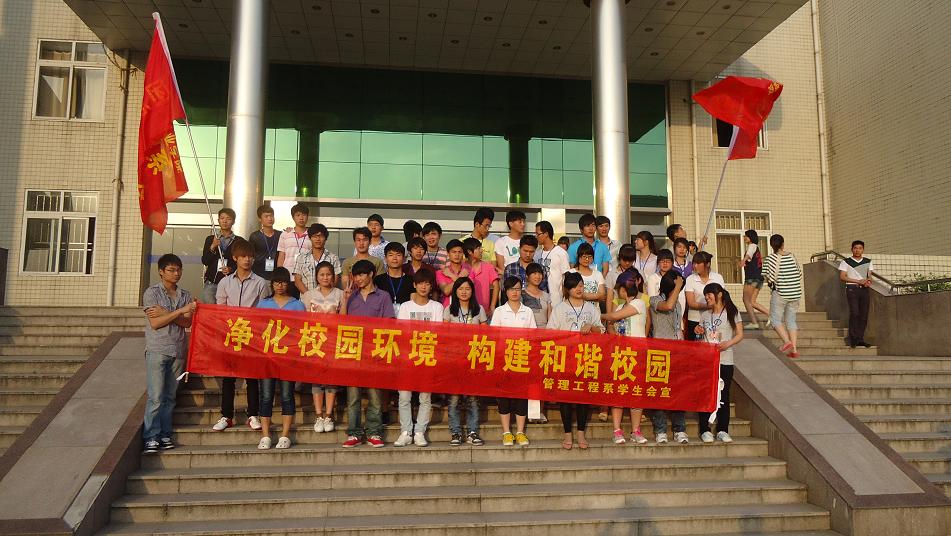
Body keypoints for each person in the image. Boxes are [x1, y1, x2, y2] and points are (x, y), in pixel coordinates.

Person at [212, 238, 269, 432]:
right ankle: (226, 416)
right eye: (243, 256)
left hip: (252, 334)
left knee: (252, 376)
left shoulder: (261, 282)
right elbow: (220, 308)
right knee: (229, 377)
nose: (247, 260)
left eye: (250, 256)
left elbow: (264, 310)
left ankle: (253, 414)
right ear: (235, 258)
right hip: (230, 333)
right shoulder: (225, 282)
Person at [142, 254, 196, 454]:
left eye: (179, 269)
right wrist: (179, 312)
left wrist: (167, 313)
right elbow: (155, 323)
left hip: (178, 350)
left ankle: (165, 434)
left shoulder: (185, 295)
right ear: (161, 272)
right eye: (171, 270)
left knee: (170, 396)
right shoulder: (152, 293)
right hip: (157, 349)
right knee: (156, 396)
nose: (176, 273)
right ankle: (151, 436)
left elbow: (187, 322)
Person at [547, 272, 604, 450]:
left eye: (580, 285)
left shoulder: (591, 308)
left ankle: (580, 433)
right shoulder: (559, 309)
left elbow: (601, 330)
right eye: (574, 286)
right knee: (565, 397)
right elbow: (550, 332)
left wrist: (592, 327)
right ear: (567, 289)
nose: (578, 289)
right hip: (566, 358)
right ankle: (567, 434)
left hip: (586, 358)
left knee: (583, 397)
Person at [342, 259, 395, 448]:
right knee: (353, 397)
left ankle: (374, 432)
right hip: (353, 351)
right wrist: (345, 300)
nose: (358, 279)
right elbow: (340, 322)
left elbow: (389, 323)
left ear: (371, 274)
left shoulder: (383, 296)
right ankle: (354, 433)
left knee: (375, 396)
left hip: (374, 352)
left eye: (361, 274)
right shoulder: (351, 296)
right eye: (355, 276)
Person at [255, 268, 306, 449]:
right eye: (277, 282)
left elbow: (302, 331)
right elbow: (256, 329)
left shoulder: (298, 305)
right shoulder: (263, 304)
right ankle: (265, 436)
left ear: (288, 284)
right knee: (266, 396)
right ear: (272, 284)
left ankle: (285, 435)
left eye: (283, 282)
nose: (280, 286)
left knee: (286, 395)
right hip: (267, 357)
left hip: (288, 357)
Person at [394, 270, 444, 447]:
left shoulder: (437, 307)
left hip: (427, 356)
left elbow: (437, 332)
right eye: (420, 283)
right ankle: (406, 431)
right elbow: (402, 332)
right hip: (408, 357)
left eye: (427, 283)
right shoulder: (405, 307)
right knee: (404, 396)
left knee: (425, 397)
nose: (423, 287)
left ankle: (420, 431)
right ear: (414, 285)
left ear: (431, 287)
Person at [600, 269, 650, 445]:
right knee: (619, 393)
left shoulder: (639, 303)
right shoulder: (621, 306)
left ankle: (636, 431)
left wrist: (602, 316)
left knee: (636, 392)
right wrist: (611, 327)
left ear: (623, 289)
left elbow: (613, 317)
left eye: (619, 289)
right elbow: (612, 325)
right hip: (621, 354)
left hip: (637, 354)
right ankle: (617, 430)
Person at [694, 282, 743, 444]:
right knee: (705, 394)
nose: (707, 298)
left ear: (719, 294)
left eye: (709, 295)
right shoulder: (705, 315)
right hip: (706, 360)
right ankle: (705, 429)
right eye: (706, 295)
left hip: (725, 359)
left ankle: (722, 429)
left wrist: (728, 344)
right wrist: (698, 331)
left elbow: (739, 334)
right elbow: (700, 337)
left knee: (724, 394)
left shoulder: (732, 312)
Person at [301, 261, 346, 433]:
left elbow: (344, 318)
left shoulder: (340, 294)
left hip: (333, 340)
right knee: (317, 379)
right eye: (322, 274)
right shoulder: (308, 295)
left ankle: (328, 415)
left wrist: (346, 301)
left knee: (331, 378)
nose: (325, 277)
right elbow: (304, 319)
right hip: (315, 341)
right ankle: (318, 415)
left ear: (333, 276)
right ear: (316, 277)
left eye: (328, 274)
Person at [491, 276, 536, 446]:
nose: (515, 292)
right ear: (506, 291)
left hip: (522, 358)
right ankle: (506, 432)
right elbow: (494, 336)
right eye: (511, 289)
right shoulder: (499, 311)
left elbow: (533, 335)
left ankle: (520, 432)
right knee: (504, 396)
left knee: (521, 396)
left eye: (517, 289)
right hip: (504, 359)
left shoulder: (528, 311)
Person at [443, 277, 487, 446]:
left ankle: (472, 432)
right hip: (454, 360)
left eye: (467, 289)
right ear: (455, 291)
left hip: (473, 360)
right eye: (460, 288)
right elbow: (444, 334)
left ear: (472, 291)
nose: (464, 292)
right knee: (454, 399)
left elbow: (486, 335)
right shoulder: (449, 310)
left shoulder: (479, 309)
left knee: (472, 398)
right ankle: (455, 432)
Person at [649, 271, 688, 444]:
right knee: (659, 392)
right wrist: (678, 286)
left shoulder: (678, 304)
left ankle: (679, 429)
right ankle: (660, 430)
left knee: (677, 391)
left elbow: (678, 327)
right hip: (659, 352)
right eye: (677, 287)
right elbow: (668, 306)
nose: (678, 291)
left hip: (676, 351)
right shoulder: (655, 300)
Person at [764, 234, 803, 357]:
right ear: (783, 244)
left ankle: (787, 342)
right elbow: (799, 273)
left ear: (771, 245)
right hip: (795, 293)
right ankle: (794, 350)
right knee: (791, 320)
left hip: (781, 293)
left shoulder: (770, 259)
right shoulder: (792, 256)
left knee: (774, 319)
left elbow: (768, 278)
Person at [838, 240, 874, 348]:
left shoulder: (868, 261)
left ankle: (860, 339)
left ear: (863, 249)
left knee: (864, 315)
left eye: (860, 248)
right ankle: (853, 339)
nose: (857, 250)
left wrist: (868, 281)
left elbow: (869, 275)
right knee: (855, 313)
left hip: (864, 290)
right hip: (852, 289)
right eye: (855, 248)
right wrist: (858, 281)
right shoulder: (846, 262)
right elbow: (842, 277)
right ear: (852, 249)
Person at [200, 208, 240, 304]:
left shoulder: (239, 241)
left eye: (228, 218)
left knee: (227, 310)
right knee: (210, 310)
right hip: (212, 283)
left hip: (230, 283)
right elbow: (205, 261)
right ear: (218, 221)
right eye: (222, 218)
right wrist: (213, 246)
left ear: (233, 221)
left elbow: (241, 262)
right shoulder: (210, 239)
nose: (225, 221)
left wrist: (231, 269)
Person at [685, 251, 726, 341]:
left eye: (698, 263)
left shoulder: (718, 277)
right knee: (695, 346)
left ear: (708, 264)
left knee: (714, 343)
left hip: (714, 318)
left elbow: (722, 298)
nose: (695, 266)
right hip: (695, 319)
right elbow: (691, 303)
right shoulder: (690, 279)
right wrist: (710, 306)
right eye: (694, 263)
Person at [293, 223, 341, 294]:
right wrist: (309, 296)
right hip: (306, 299)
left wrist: (324, 296)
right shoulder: (301, 258)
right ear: (310, 238)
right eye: (315, 236)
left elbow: (335, 280)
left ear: (325, 238)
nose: (318, 239)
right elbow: (297, 281)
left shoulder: (333, 258)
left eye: (321, 236)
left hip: (328, 299)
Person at [534, 221, 570, 305]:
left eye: (538, 234)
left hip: (556, 301)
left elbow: (566, 278)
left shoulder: (561, 253)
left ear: (546, 234)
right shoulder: (536, 254)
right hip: (539, 301)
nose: (536, 236)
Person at [462, 237, 499, 318]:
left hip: (484, 312)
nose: (481, 250)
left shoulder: (488, 267)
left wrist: (492, 306)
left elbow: (496, 285)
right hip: (464, 312)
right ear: (469, 251)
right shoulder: (462, 267)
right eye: (478, 248)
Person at [740, 230, 770, 329]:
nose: (744, 237)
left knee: (746, 299)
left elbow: (749, 254)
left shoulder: (752, 246)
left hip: (752, 277)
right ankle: (771, 315)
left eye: (746, 236)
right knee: (752, 302)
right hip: (759, 278)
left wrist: (743, 260)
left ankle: (754, 322)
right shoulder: (756, 248)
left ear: (751, 237)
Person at [373, 242, 414, 316]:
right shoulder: (378, 280)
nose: (394, 258)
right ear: (385, 259)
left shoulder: (411, 280)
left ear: (404, 259)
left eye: (398, 255)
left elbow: (413, 304)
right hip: (383, 318)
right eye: (391, 255)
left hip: (405, 318)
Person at [569, 242, 605, 310]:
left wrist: (581, 295)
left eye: (590, 257)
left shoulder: (598, 274)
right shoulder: (571, 273)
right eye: (584, 256)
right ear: (578, 257)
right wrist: (596, 296)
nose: (587, 259)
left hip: (594, 312)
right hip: (575, 311)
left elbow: (602, 295)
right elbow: (569, 294)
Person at [248, 205, 280, 279]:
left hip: (276, 274)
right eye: (266, 216)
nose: (270, 219)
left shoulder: (280, 235)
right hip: (258, 274)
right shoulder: (254, 236)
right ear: (260, 219)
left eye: (271, 216)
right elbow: (250, 255)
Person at [276, 203, 310, 272]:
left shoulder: (312, 235)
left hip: (306, 274)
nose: (301, 218)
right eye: (298, 215)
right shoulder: (285, 234)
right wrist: (280, 274)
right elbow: (281, 256)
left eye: (304, 215)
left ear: (307, 216)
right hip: (287, 274)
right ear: (293, 217)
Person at [436, 239, 468, 305]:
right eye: (454, 252)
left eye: (459, 252)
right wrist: (460, 277)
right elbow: (446, 291)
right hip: (447, 308)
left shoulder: (468, 271)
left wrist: (451, 275)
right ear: (448, 254)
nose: (457, 255)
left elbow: (468, 292)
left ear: (463, 254)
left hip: (465, 308)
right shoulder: (441, 272)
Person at [605, 244, 637, 309]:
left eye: (630, 260)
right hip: (617, 308)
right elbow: (609, 298)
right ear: (619, 258)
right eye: (624, 260)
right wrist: (609, 314)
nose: (627, 263)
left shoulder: (639, 273)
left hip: (635, 308)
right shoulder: (611, 274)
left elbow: (643, 294)